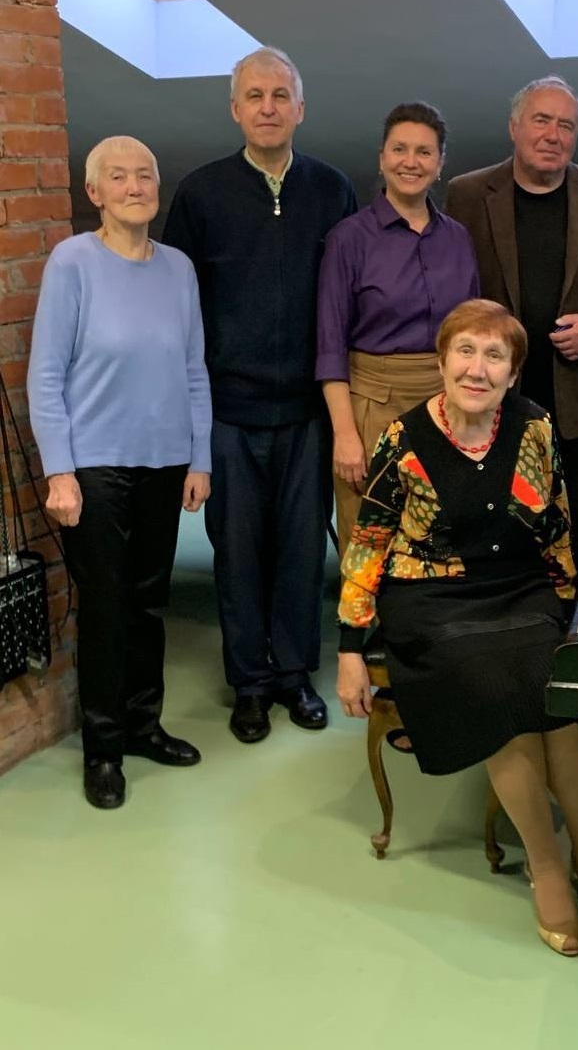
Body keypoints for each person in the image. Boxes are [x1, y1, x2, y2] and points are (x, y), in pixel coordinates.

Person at [336, 299, 578, 957]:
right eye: (465, 352)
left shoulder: (533, 427)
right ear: (442, 361)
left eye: (494, 356)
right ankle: (546, 866)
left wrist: (571, 612)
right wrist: (350, 649)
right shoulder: (403, 439)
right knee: (498, 691)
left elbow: (557, 522)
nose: (477, 368)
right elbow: (368, 543)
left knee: (565, 698)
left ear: (512, 373)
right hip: (431, 597)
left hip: (519, 588)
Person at [162, 47, 357, 745]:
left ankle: (294, 674)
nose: (268, 107)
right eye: (255, 95)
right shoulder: (201, 193)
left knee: (302, 551)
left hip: (307, 411)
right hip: (227, 411)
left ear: (300, 108)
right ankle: (248, 681)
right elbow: (177, 307)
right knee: (237, 553)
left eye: (280, 95)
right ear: (235, 109)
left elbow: (348, 298)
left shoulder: (332, 190)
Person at [27, 136, 212, 810]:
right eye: (118, 176)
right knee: (105, 607)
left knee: (148, 601)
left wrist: (200, 457)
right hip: (95, 466)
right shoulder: (73, 261)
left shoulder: (179, 268)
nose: (135, 186)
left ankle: (142, 724)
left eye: (145, 176)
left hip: (165, 460)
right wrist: (60, 472)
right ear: (94, 192)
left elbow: (193, 368)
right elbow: (46, 374)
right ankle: (102, 749)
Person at [446, 76, 578, 567]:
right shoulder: (467, 194)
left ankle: (570, 605)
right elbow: (450, 289)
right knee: (491, 523)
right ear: (514, 127)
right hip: (488, 394)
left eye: (566, 126)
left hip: (570, 396)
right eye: (541, 120)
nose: (553, 135)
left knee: (572, 526)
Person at [316, 101, 479, 556]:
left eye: (424, 152)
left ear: (440, 164)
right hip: (372, 407)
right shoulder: (349, 238)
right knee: (371, 546)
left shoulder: (458, 239)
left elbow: (473, 334)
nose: (411, 162)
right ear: (382, 158)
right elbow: (330, 346)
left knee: (441, 543)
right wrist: (344, 434)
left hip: (447, 406)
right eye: (400, 149)